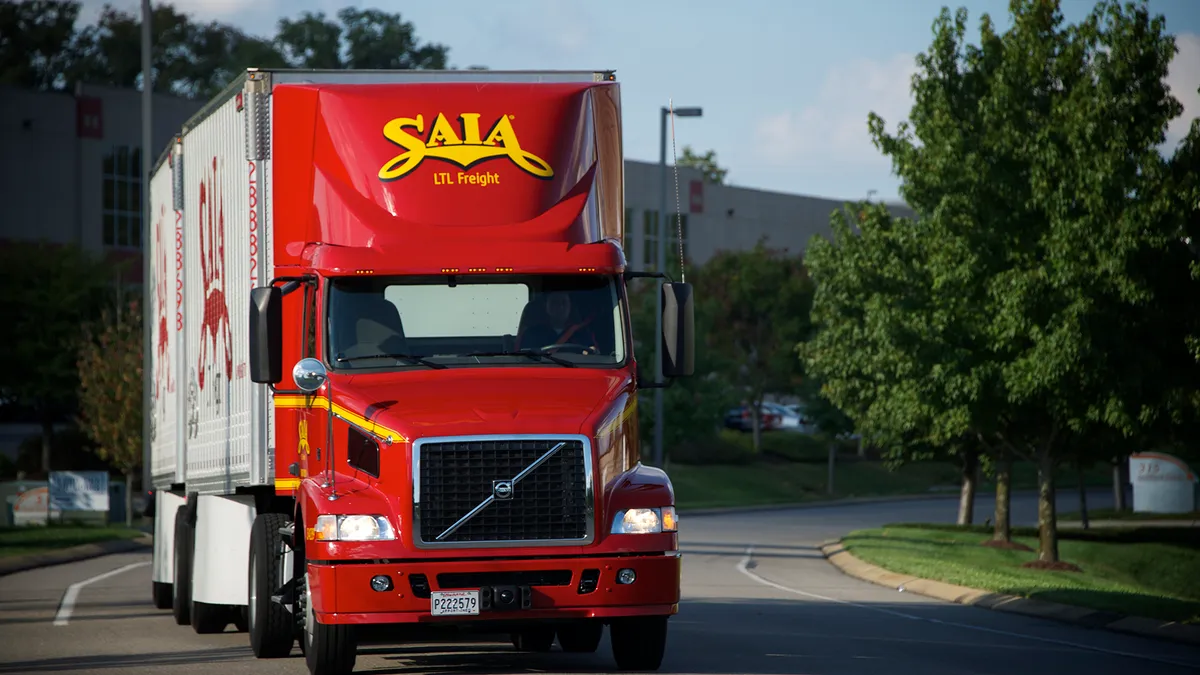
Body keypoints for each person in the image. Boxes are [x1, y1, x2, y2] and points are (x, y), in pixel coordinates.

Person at [516, 290, 600, 354]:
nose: (560, 307)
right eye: (554, 302)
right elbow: (523, 360)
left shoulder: (583, 333)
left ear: (570, 306)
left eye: (564, 302)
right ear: (546, 306)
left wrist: (592, 352)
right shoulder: (532, 333)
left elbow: (593, 355)